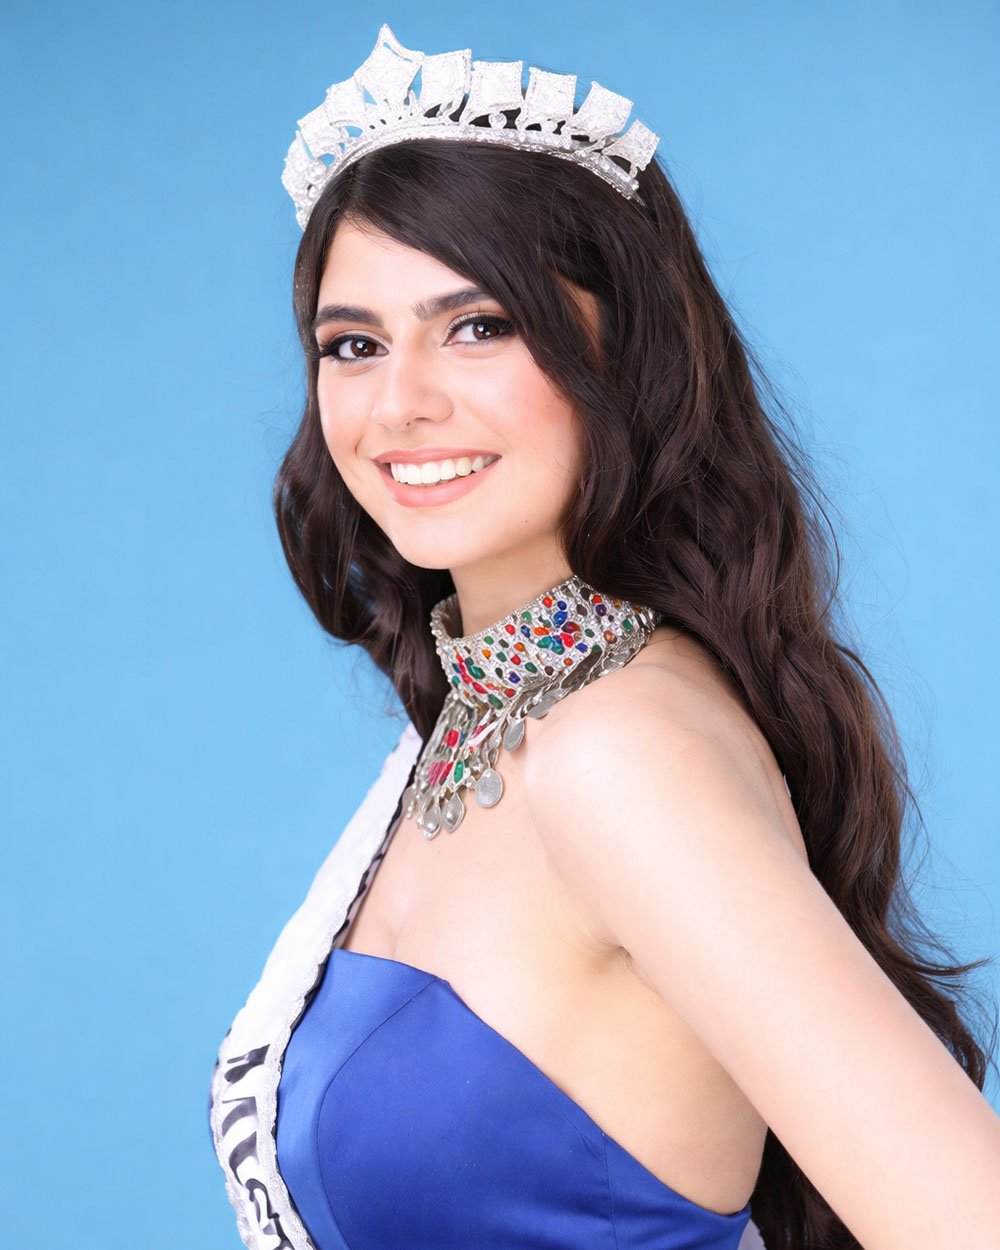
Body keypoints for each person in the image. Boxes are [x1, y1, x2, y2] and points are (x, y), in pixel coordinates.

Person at [207, 24, 1000, 1250]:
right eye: (353, 344)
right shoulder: (483, 723)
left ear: (621, 347)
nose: (401, 401)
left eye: (478, 325)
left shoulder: (618, 750)